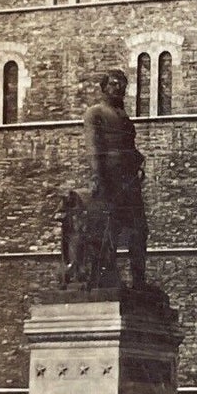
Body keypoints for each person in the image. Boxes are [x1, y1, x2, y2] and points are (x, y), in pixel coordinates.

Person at [82, 69, 149, 287]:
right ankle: (107, 278)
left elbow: (129, 147)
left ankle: (139, 280)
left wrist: (138, 162)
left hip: (128, 179)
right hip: (109, 177)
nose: (118, 88)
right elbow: (94, 146)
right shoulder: (95, 113)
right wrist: (97, 176)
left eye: (122, 84)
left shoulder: (124, 118)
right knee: (108, 227)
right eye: (113, 84)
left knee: (139, 230)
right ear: (104, 87)